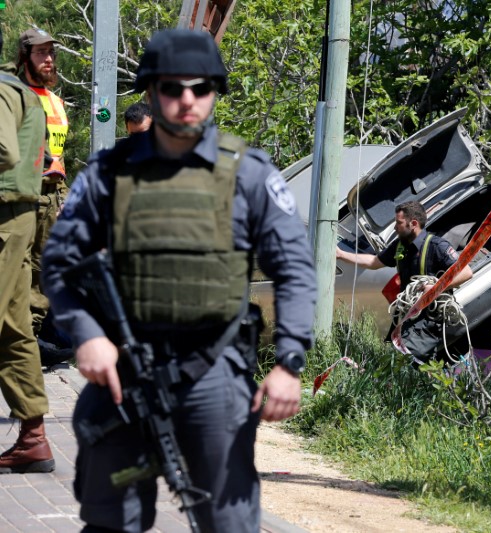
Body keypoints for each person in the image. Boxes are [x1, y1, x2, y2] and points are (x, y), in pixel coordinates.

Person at [41, 29, 317, 531]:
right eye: (172, 88)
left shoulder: (249, 173)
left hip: (212, 372)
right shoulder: (110, 173)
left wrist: (290, 361)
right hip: (123, 372)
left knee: (228, 521)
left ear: (215, 91)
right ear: (151, 91)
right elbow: (59, 261)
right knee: (109, 519)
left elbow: (294, 269)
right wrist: (86, 336)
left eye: (201, 87)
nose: (187, 99)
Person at [0, 26, 55, 474]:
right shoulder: (26, 93)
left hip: (2, 218)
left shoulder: (3, 89)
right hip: (20, 217)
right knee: (14, 328)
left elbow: (3, 150)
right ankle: (33, 438)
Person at [335, 200, 472, 359]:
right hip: (406, 316)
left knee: (402, 360)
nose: (395, 227)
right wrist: (341, 255)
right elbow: (374, 262)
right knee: (391, 359)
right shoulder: (400, 245)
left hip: (429, 319)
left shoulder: (437, 245)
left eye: (398, 223)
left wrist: (437, 288)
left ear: (413, 223)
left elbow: (466, 272)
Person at [17, 27, 69, 338]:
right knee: (16, 273)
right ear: (25, 57)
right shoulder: (12, 96)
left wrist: (63, 200)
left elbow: (59, 157)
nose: (48, 59)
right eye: (40, 53)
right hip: (21, 197)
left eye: (51, 52)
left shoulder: (56, 101)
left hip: (50, 199)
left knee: (45, 272)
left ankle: (30, 339)